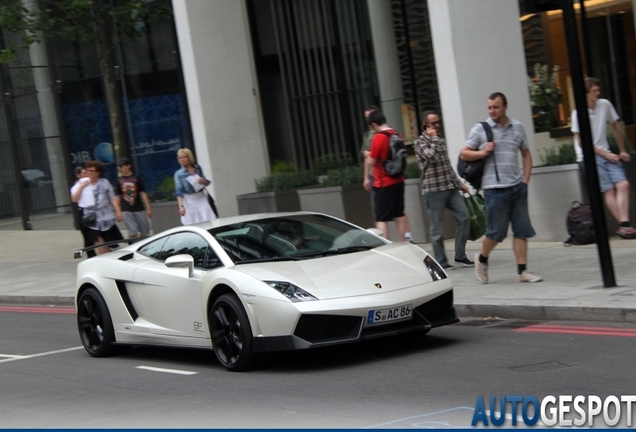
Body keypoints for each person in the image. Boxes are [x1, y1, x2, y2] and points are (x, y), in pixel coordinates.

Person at [461, 92, 542, 284]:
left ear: (505, 107)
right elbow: (464, 154)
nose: (492, 111)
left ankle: (522, 271)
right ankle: (481, 258)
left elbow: (526, 154)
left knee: (522, 230)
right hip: (494, 189)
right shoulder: (481, 129)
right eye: (489, 107)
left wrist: (525, 180)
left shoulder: (517, 127)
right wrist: (483, 152)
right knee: (496, 233)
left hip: (517, 186)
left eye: (496, 107)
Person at [571, 77, 635, 239]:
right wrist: (606, 154)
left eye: (598, 90)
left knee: (624, 184)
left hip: (607, 153)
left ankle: (623, 225)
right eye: (594, 91)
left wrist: (622, 150)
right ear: (586, 94)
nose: (598, 93)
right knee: (609, 189)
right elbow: (582, 142)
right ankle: (624, 226)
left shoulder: (604, 104)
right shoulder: (578, 113)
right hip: (589, 157)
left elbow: (616, 127)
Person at [414, 110, 473, 271]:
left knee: (464, 217)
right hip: (433, 191)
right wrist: (433, 139)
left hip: (449, 187)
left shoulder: (440, 139)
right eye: (433, 123)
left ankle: (460, 255)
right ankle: (442, 261)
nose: (437, 125)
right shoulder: (420, 142)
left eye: (438, 122)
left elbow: (446, 166)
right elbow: (431, 157)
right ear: (425, 125)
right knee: (437, 229)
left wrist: (459, 183)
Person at [361, 106, 413, 242]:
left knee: (381, 218)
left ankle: (385, 247)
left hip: (383, 183)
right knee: (399, 214)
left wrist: (368, 154)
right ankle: (403, 243)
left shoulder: (379, 138)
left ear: (373, 124)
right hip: (399, 180)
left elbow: (372, 161)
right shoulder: (397, 134)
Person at [71, 160, 124, 255]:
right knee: (98, 243)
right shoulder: (82, 182)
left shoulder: (104, 183)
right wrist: (81, 187)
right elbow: (74, 199)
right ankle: (104, 260)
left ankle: (112, 258)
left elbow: (112, 197)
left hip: (106, 218)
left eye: (92, 171)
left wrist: (118, 211)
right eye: (88, 170)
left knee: (111, 243)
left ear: (98, 173)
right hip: (92, 220)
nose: (89, 173)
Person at [174, 148, 216, 225]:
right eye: (180, 158)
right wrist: (181, 206)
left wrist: (204, 181)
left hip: (201, 197)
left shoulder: (197, 168)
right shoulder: (179, 174)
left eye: (184, 157)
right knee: (192, 221)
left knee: (207, 218)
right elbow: (178, 192)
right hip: (189, 200)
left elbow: (206, 182)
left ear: (189, 157)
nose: (182, 159)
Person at [115, 158, 152, 238]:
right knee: (132, 231)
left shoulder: (136, 178)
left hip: (138, 207)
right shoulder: (119, 180)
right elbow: (118, 196)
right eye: (119, 167)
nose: (120, 169)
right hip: (126, 208)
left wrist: (148, 207)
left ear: (128, 166)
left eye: (121, 166)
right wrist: (118, 211)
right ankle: (132, 245)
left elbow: (143, 192)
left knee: (144, 231)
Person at [70, 166, 95, 258]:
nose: (86, 175)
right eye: (84, 174)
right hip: (84, 212)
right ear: (79, 175)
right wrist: (81, 186)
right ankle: (91, 255)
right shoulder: (76, 187)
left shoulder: (92, 183)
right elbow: (74, 199)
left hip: (94, 210)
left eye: (87, 173)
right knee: (87, 236)